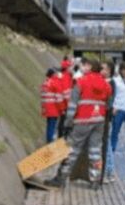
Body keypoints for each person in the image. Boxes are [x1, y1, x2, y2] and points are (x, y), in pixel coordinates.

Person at [48, 60, 111, 188]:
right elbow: (108, 105)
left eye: (87, 66)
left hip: (82, 121)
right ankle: (95, 180)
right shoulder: (106, 85)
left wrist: (68, 122)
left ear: (90, 68)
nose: (84, 67)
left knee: (72, 149)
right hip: (99, 121)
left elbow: (72, 104)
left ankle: (61, 178)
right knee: (95, 151)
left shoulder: (81, 81)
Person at [40, 69, 61, 144]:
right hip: (54, 108)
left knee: (49, 125)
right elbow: (58, 98)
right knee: (52, 126)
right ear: (52, 75)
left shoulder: (44, 84)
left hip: (46, 108)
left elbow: (42, 97)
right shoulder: (54, 83)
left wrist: (43, 107)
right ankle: (50, 142)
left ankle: (48, 141)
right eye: (55, 74)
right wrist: (61, 108)